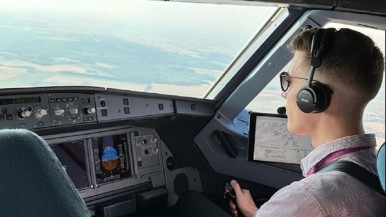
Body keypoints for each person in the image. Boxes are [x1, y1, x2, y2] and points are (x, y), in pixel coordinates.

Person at [170, 27, 385, 217]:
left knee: (191, 201)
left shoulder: (309, 199)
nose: (284, 94)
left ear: (312, 97)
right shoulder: (373, 167)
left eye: (288, 81)